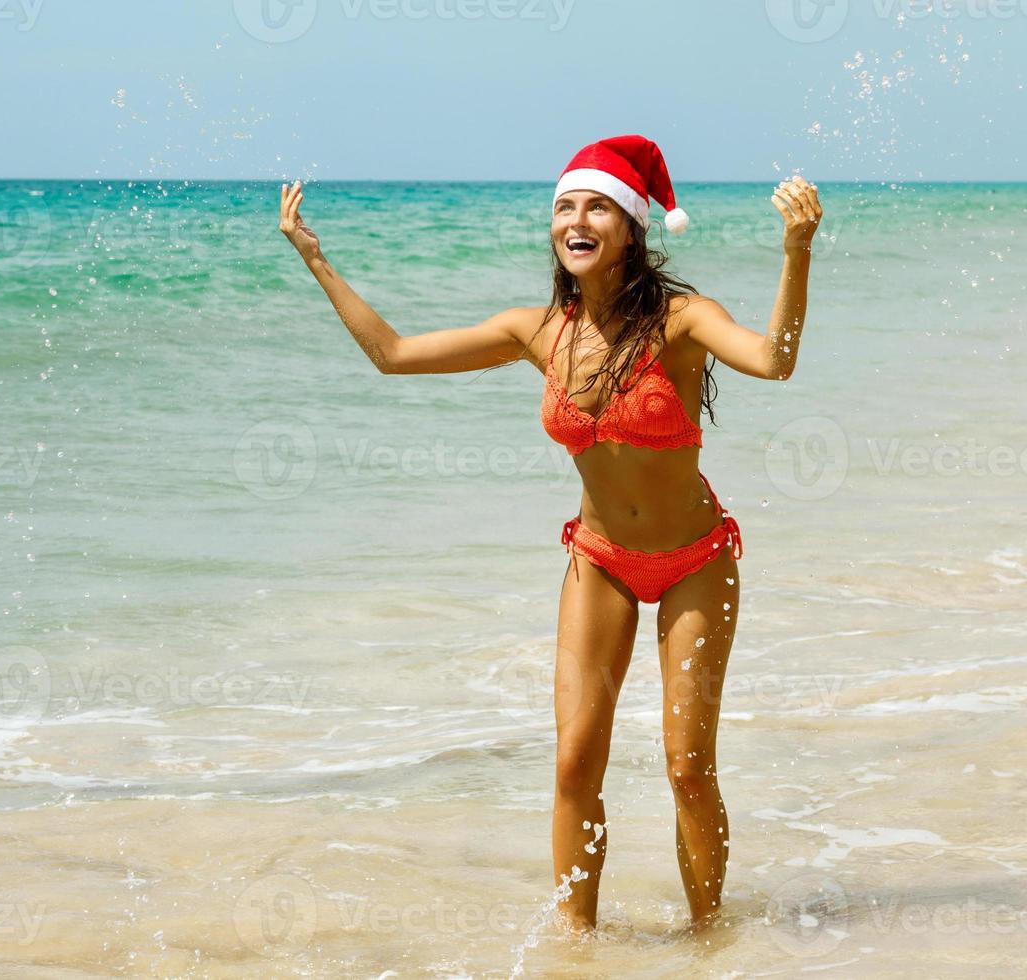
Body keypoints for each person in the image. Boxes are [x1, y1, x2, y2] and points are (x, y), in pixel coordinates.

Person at [278, 134, 821, 934]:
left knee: (687, 768)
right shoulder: (536, 332)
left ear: (631, 228)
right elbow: (392, 355)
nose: (577, 218)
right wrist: (315, 259)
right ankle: (576, 948)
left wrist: (795, 251)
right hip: (597, 560)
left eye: (597, 204)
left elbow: (774, 361)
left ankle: (711, 943)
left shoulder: (683, 321)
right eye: (565, 206)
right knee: (572, 764)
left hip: (694, 563)